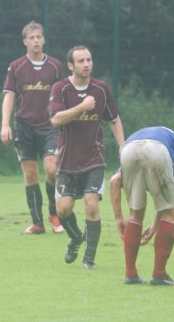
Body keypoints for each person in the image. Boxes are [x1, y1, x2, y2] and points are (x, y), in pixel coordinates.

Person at [49, 45, 125, 269]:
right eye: (81, 61)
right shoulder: (61, 88)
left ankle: (89, 260)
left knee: (92, 204)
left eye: (89, 60)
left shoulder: (101, 89)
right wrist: (82, 107)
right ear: (70, 66)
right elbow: (55, 119)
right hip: (67, 160)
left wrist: (123, 147)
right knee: (63, 209)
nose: (86, 64)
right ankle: (75, 238)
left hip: (94, 158)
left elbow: (114, 119)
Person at [1, 21, 65, 234]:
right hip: (24, 127)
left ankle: (54, 214)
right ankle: (37, 223)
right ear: (25, 42)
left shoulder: (55, 66)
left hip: (49, 127)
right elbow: (9, 96)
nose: (36, 41)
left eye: (39, 37)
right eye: (32, 38)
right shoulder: (16, 66)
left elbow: (63, 96)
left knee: (52, 170)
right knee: (30, 175)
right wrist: (5, 125)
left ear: (44, 39)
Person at [110, 126, 174, 286]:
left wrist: (119, 218)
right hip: (158, 151)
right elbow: (168, 204)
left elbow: (114, 181)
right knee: (170, 213)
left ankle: (131, 275)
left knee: (135, 215)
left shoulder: (138, 137)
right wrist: (156, 226)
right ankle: (159, 274)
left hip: (128, 150)